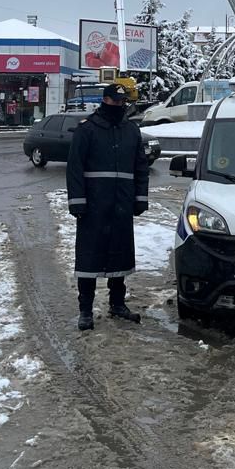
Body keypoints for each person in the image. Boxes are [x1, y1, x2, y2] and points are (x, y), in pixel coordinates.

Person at [66, 83, 150, 331]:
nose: (118, 106)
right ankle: (85, 310)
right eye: (114, 101)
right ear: (104, 100)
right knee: (89, 258)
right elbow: (74, 169)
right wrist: (77, 202)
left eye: (122, 102)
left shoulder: (131, 131)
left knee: (119, 255)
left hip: (121, 204)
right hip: (93, 206)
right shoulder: (87, 129)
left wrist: (139, 199)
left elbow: (141, 168)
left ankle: (117, 303)